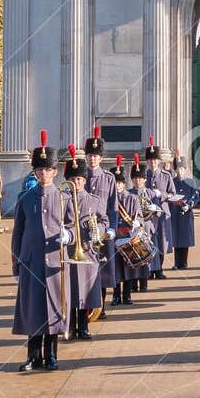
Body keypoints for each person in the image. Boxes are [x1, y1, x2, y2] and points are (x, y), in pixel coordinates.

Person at [11, 131, 70, 372]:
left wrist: (70, 236)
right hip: (32, 261)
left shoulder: (65, 197)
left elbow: (76, 227)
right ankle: (33, 355)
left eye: (48, 170)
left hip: (55, 260)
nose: (43, 173)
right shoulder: (25, 198)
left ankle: (51, 355)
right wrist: (16, 264)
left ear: (55, 172)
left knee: (53, 308)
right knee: (34, 308)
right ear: (35, 171)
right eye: (40, 169)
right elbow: (18, 233)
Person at [62, 146, 104, 342]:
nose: (75, 183)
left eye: (79, 179)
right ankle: (70, 326)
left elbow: (103, 221)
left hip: (88, 251)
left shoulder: (93, 201)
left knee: (85, 292)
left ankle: (84, 326)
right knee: (70, 291)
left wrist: (101, 231)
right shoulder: (62, 200)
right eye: (72, 179)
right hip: (69, 251)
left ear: (84, 180)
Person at [82, 128, 117, 320]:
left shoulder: (109, 178)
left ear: (101, 158)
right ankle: (86, 307)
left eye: (95, 156)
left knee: (102, 271)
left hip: (102, 231)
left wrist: (112, 228)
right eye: (89, 156)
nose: (92, 159)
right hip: (85, 232)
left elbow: (113, 207)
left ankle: (100, 306)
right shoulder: (80, 177)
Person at [109, 155, 152, 306]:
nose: (118, 186)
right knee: (116, 269)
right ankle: (115, 296)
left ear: (124, 183)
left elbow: (140, 217)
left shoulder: (132, 198)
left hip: (127, 236)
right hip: (114, 238)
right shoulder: (109, 199)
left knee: (128, 268)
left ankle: (127, 296)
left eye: (120, 183)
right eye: (115, 183)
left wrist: (136, 223)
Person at [144, 138, 175, 278]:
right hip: (147, 215)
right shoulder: (143, 175)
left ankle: (160, 269)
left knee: (162, 243)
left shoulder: (166, 176)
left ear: (159, 161)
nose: (152, 162)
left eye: (155, 160)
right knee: (149, 241)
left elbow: (172, 194)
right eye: (150, 160)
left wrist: (161, 194)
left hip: (162, 213)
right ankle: (150, 269)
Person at [171, 156, 200, 269]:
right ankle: (176, 262)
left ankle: (184, 262)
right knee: (176, 238)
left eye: (182, 169)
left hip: (186, 213)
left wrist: (189, 205)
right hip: (175, 212)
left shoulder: (191, 182)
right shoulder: (172, 181)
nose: (180, 171)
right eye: (178, 169)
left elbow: (196, 196)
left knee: (185, 238)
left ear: (185, 169)